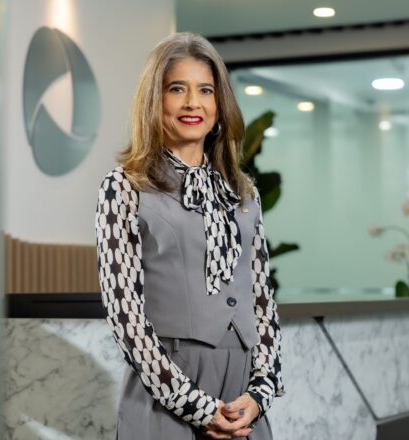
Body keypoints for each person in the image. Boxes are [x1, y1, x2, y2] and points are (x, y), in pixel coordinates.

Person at [94, 32, 284, 439]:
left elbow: (262, 302)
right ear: (154, 100)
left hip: (242, 401)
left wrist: (260, 393)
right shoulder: (124, 188)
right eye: (177, 89)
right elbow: (125, 316)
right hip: (168, 395)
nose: (193, 103)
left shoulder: (243, 193)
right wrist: (197, 407)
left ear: (220, 103)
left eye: (206, 90)